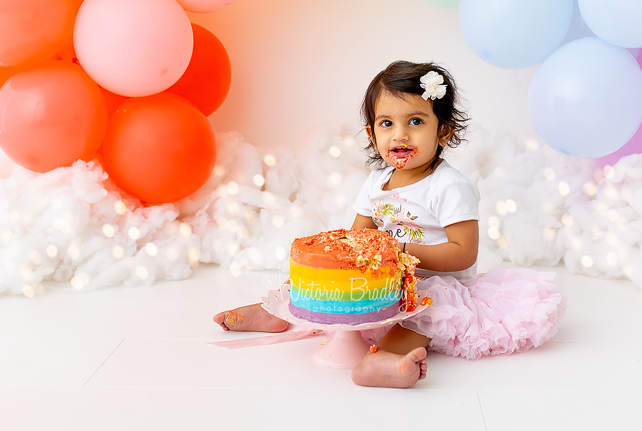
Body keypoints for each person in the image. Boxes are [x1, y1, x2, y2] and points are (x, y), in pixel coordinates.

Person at [213, 61, 566, 388]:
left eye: (415, 122)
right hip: (385, 277)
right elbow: (358, 236)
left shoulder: (449, 186)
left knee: (424, 312)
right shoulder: (376, 182)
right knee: (323, 286)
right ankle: (275, 312)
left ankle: (384, 361)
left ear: (443, 132)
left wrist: (401, 252)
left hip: (434, 280)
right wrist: (336, 261)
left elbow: (463, 253)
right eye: (387, 124)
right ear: (372, 134)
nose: (400, 135)